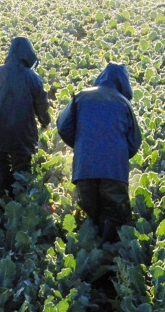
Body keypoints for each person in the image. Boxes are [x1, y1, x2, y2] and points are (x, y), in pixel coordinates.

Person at [56, 63, 141, 243]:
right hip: (114, 170)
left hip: (84, 167)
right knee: (115, 217)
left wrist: (81, 145)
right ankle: (112, 259)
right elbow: (134, 141)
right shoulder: (123, 102)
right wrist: (119, 157)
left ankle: (90, 259)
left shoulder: (81, 96)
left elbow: (63, 127)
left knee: (89, 217)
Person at [0, 36, 51, 195]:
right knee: (21, 168)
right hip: (22, 132)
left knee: (0, 162)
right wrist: (45, 122)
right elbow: (41, 105)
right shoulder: (33, 78)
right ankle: (20, 201)